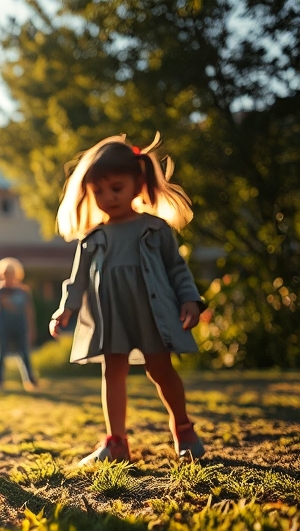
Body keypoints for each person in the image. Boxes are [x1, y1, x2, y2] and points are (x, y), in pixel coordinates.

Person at [49, 133, 205, 464]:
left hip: (152, 313)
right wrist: (66, 309)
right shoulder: (92, 238)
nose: (108, 197)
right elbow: (76, 281)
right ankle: (116, 441)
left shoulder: (155, 229)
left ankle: (183, 427)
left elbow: (177, 269)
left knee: (160, 369)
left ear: (137, 183)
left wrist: (189, 298)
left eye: (116, 188)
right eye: (99, 191)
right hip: (111, 317)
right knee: (112, 372)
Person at [0, 257, 38, 391]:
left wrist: (31, 329)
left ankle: (30, 380)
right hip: (2, 326)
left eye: (12, 273)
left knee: (24, 353)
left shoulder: (23, 291)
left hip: (20, 326)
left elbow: (29, 311)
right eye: (6, 273)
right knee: (0, 354)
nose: (9, 276)